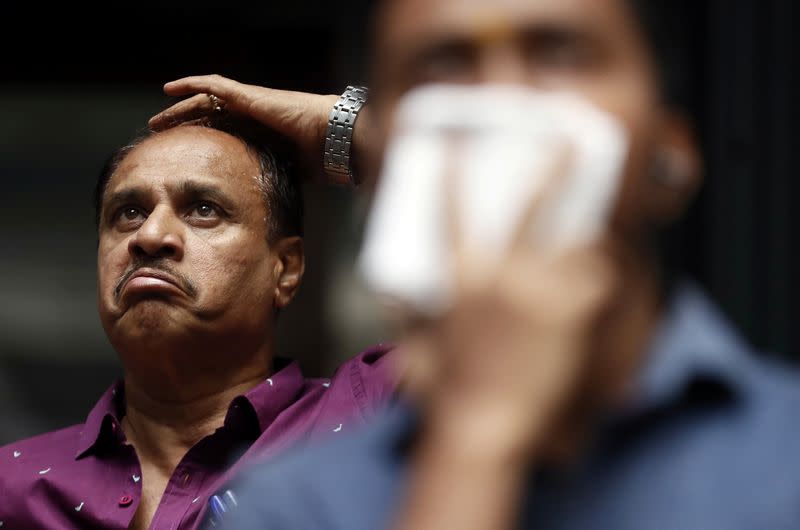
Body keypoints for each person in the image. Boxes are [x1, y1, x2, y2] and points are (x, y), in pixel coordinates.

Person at [148, 0, 800, 529]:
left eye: (560, 53)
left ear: (672, 154)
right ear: (378, 165)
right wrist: (475, 444)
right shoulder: (286, 508)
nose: (504, 105)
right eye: (443, 68)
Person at [0, 114, 395, 529]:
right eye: (129, 212)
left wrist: (346, 134)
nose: (149, 235)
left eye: (204, 210)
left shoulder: (368, 411)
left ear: (286, 268)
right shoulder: (12, 485)